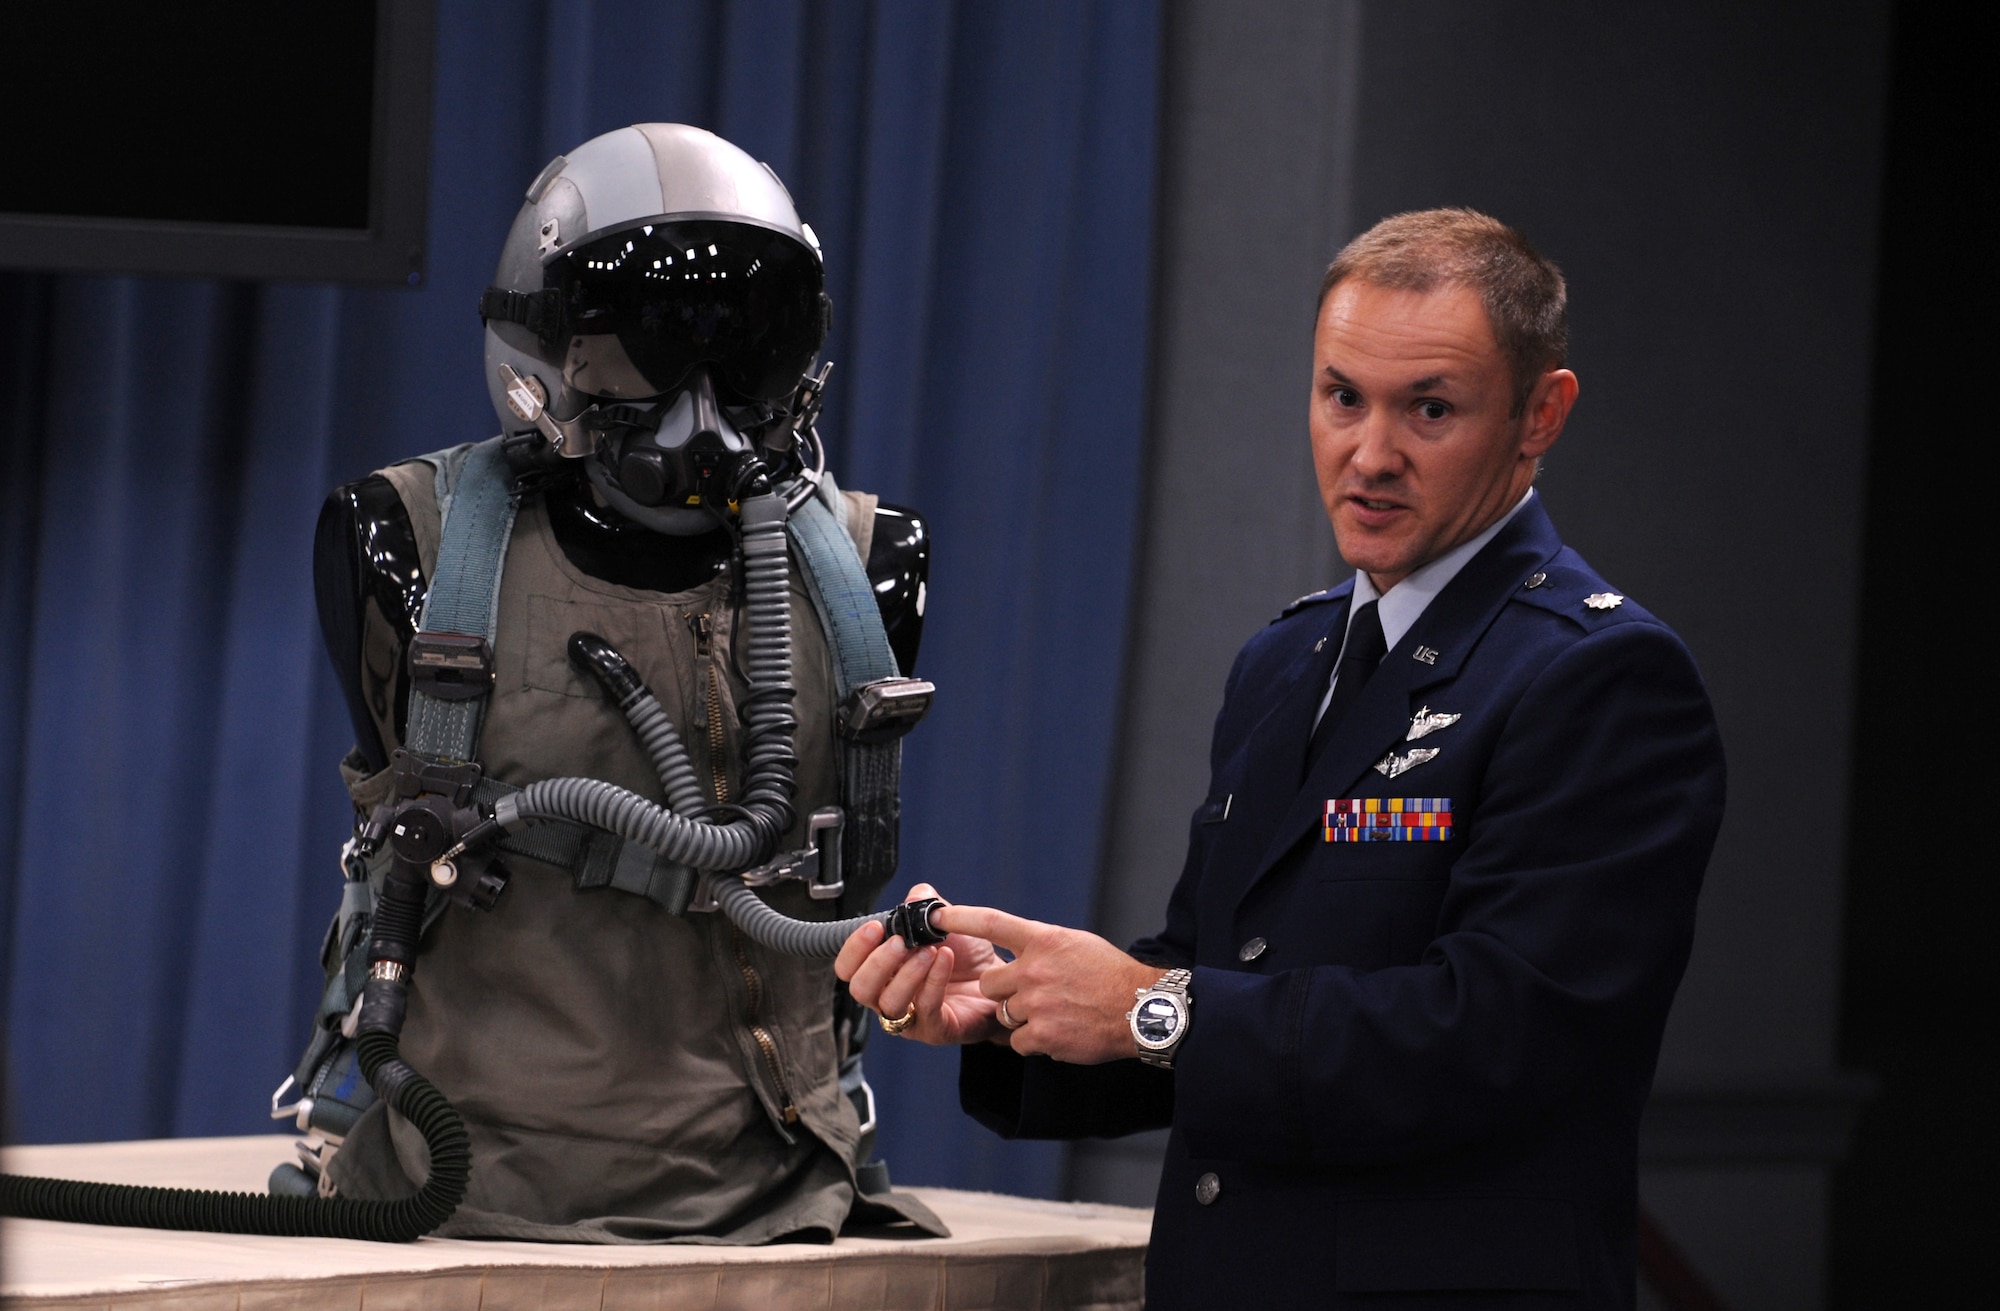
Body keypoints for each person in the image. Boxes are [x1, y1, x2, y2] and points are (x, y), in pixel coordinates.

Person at [839, 208, 1726, 1307]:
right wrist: (1007, 1009)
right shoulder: (1286, 660)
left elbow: (1497, 1040)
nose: (1370, 454)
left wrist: (1153, 1006)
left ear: (1538, 415)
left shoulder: (1598, 676)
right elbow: (1214, 974)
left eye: (1430, 410)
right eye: (1341, 396)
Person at [273, 123, 942, 1243]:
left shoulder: (869, 567)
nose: (703, 404)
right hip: (461, 1197)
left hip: (786, 1208)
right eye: (643, 350)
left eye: (745, 352)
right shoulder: (405, 543)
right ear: (541, 352)